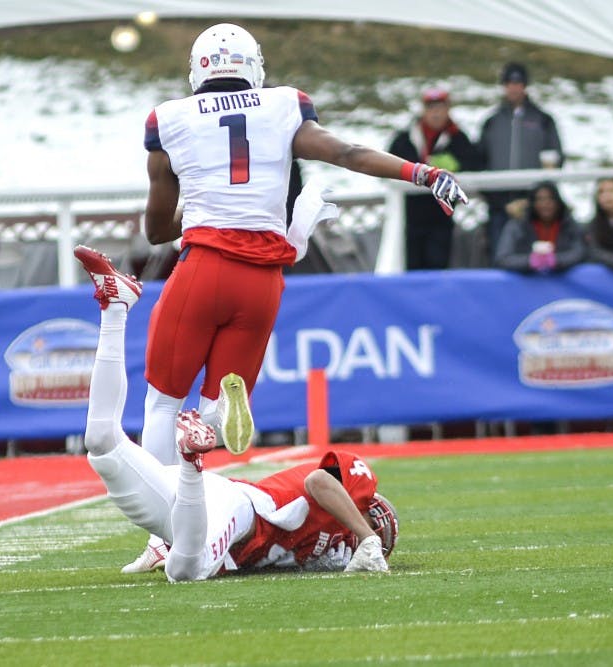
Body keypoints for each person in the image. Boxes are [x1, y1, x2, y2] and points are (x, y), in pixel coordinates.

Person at [131, 22, 464, 573]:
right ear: (254, 65)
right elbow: (347, 152)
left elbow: (156, 229)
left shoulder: (169, 119)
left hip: (205, 267)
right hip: (263, 277)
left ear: (198, 70)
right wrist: (422, 172)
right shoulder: (284, 105)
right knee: (215, 405)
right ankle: (212, 424)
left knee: (163, 402)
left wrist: (198, 201)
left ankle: (165, 535)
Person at [74, 245, 398, 581]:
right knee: (187, 570)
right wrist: (368, 537)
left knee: (101, 443)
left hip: (198, 512)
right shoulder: (356, 491)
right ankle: (189, 460)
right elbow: (319, 481)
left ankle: (115, 308)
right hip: (238, 509)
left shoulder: (318, 547)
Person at [388, 86, 482, 270]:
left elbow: (474, 165)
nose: (436, 114)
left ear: (448, 109)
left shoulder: (458, 139)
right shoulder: (405, 138)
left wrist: (454, 167)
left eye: (440, 108)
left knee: (438, 263)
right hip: (410, 214)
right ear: (423, 110)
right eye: (431, 108)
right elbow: (389, 164)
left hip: (441, 216)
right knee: (410, 264)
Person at [478, 63, 565, 264]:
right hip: (499, 207)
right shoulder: (491, 122)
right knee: (499, 258)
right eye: (509, 83)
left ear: (525, 86)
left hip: (535, 208)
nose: (514, 88)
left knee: (533, 258)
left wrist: (536, 199)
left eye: (518, 83)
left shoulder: (543, 120)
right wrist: (496, 200)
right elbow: (480, 163)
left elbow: (557, 160)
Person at [494, 181, 584, 274]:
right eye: (540, 199)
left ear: (558, 202)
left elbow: (579, 253)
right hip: (526, 284)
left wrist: (556, 260)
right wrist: (529, 261)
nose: (545, 204)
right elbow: (502, 258)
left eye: (550, 199)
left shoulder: (569, 225)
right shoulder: (517, 226)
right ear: (532, 203)